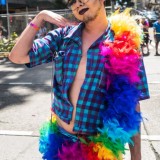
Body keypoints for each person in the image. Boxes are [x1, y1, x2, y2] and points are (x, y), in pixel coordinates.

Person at [8, 0, 149, 160]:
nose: (78, 3)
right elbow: (17, 57)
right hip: (60, 145)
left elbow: (132, 105)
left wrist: (136, 155)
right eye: (72, 1)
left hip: (99, 149)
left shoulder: (124, 44)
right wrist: (40, 17)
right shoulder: (63, 37)